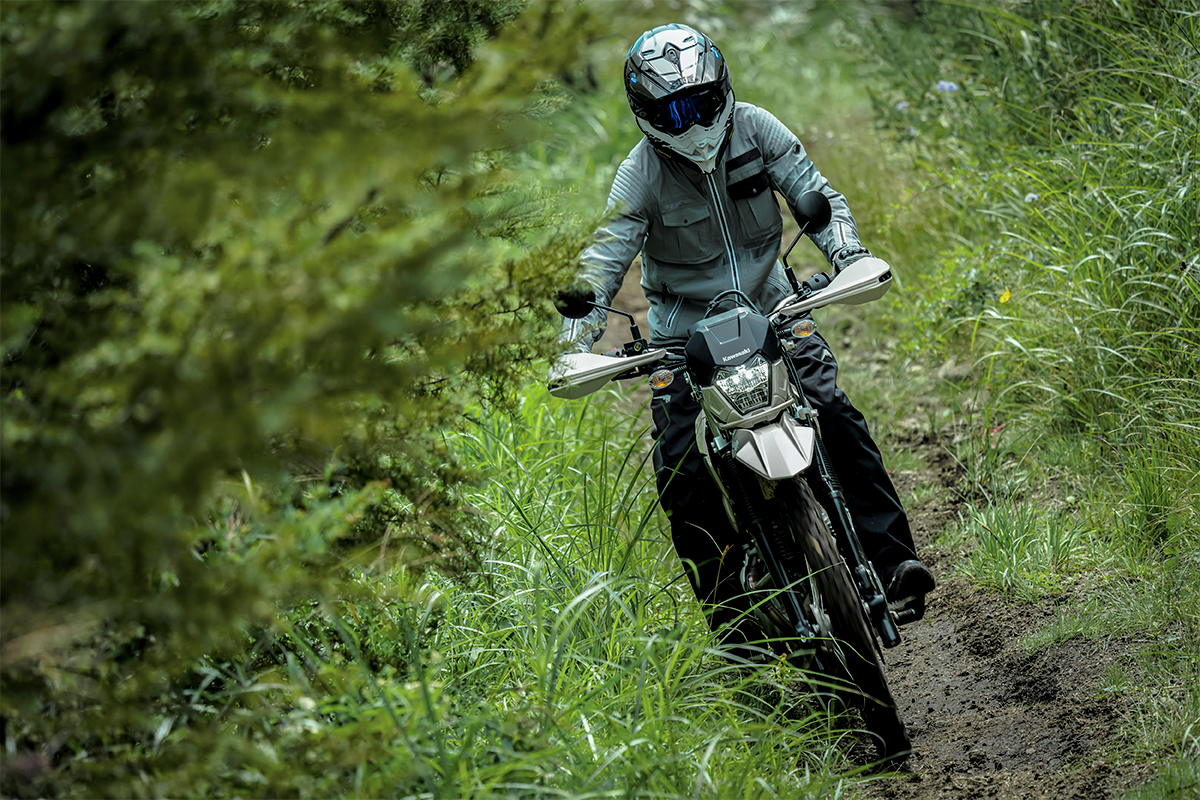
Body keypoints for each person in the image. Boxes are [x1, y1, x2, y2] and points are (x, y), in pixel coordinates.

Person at [559, 23, 934, 658]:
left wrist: (848, 255)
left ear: (723, 88)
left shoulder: (758, 129)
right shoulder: (640, 174)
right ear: (646, 114)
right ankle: (734, 627)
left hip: (776, 309)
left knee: (834, 411)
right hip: (683, 340)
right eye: (673, 110)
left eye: (701, 100)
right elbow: (601, 261)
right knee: (679, 465)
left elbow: (820, 195)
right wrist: (576, 340)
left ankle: (893, 562)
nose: (692, 119)